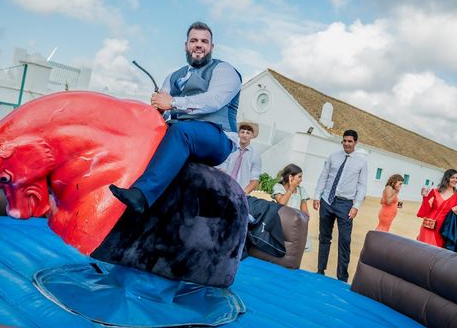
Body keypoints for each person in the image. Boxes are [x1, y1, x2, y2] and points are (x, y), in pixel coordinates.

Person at [110, 22, 241, 214]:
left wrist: (172, 103)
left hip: (218, 138)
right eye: (194, 40)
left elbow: (214, 100)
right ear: (186, 45)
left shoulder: (225, 71)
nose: (199, 45)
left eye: (204, 41)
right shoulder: (173, 76)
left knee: (181, 131)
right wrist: (157, 109)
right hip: (181, 132)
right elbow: (162, 106)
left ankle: (142, 195)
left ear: (212, 47)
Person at [312, 130, 368, 282]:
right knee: (324, 237)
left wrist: (356, 206)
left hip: (346, 204)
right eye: (344, 141)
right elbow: (324, 176)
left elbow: (362, 186)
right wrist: (317, 196)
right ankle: (320, 270)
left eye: (350, 141)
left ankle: (342, 277)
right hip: (327, 201)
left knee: (345, 240)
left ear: (355, 142)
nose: (347, 144)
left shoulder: (362, 161)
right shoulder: (333, 157)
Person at [416, 169, 457, 247]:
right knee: (422, 249)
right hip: (428, 225)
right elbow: (424, 211)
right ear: (446, 178)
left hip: (443, 228)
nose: (455, 180)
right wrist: (425, 197)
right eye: (452, 177)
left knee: (435, 252)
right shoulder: (434, 191)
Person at [271, 164, 312, 251]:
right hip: (280, 224)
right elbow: (281, 203)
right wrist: (291, 189)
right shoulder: (279, 187)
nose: (301, 180)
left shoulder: (301, 191)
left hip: (295, 227)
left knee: (292, 253)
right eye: (299, 177)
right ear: (291, 177)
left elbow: (305, 214)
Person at [218, 121, 262, 194]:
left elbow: (255, 180)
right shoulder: (230, 148)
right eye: (242, 132)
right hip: (223, 187)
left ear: (252, 136)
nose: (244, 135)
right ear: (238, 134)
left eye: (248, 133)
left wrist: (243, 193)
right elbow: (222, 169)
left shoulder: (255, 155)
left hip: (241, 191)